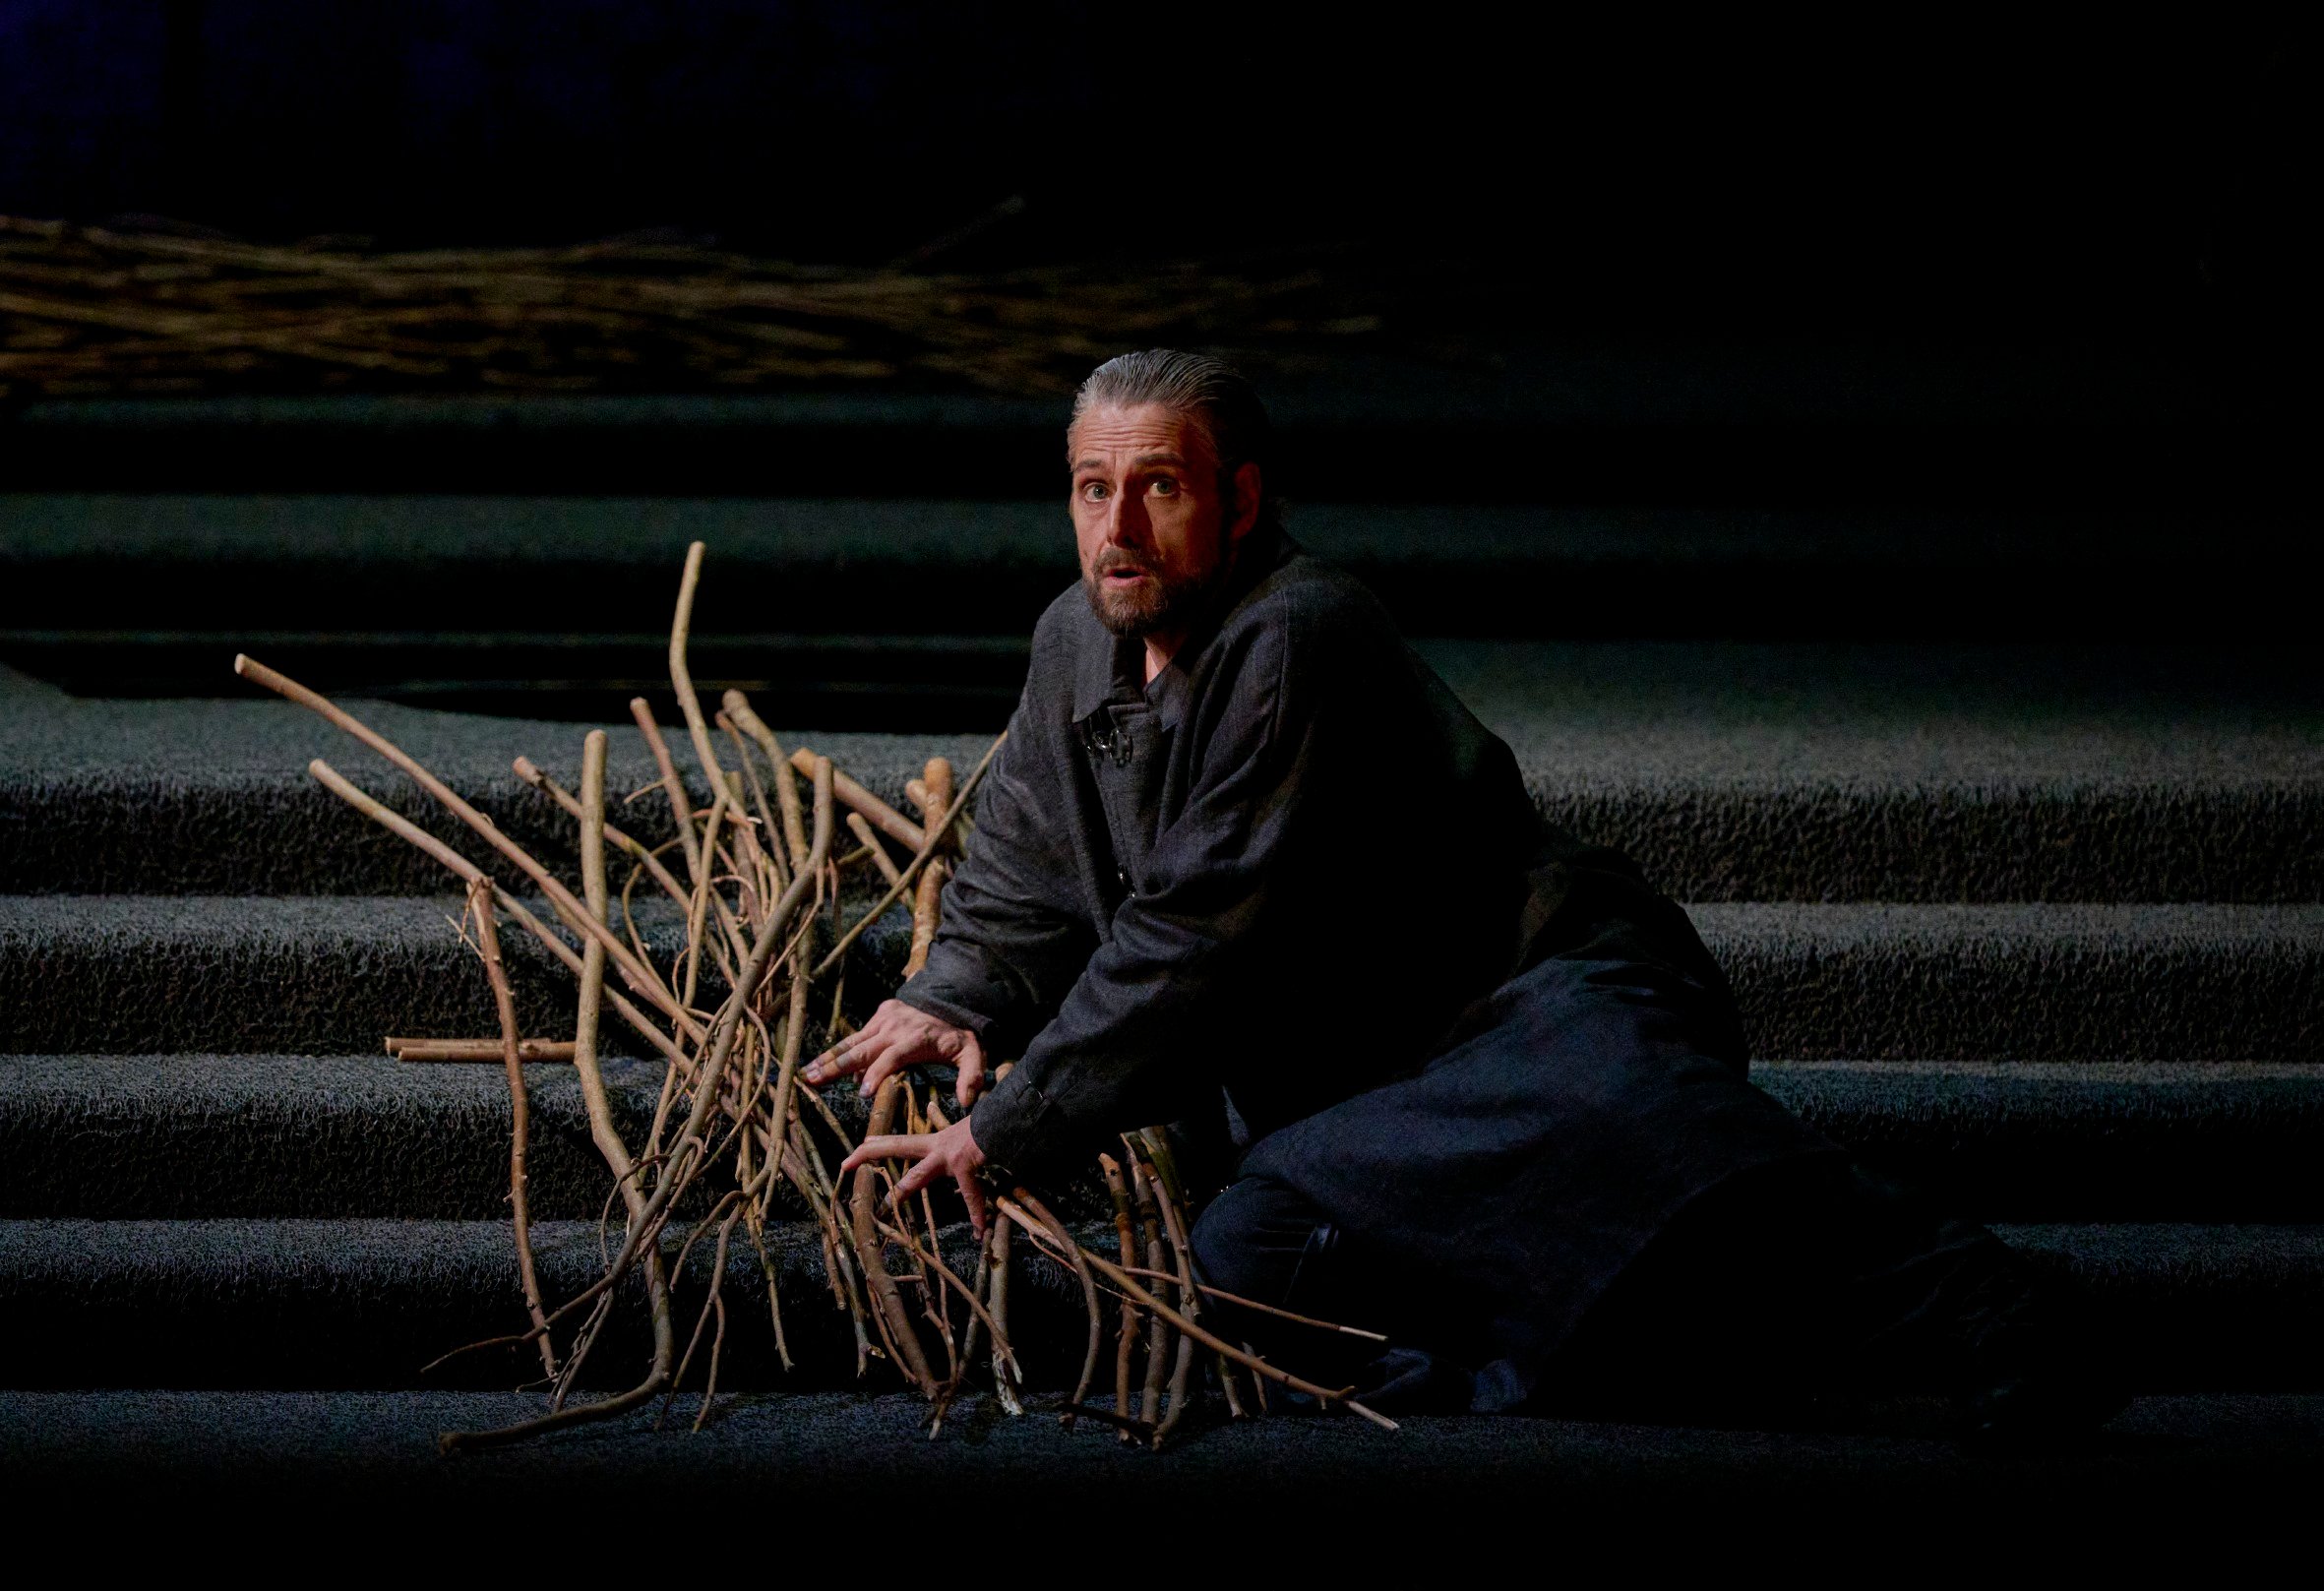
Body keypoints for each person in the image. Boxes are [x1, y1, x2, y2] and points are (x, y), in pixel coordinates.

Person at [808, 349, 2120, 1436]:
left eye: (1158, 485)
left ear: (1242, 499)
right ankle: (1581, 1357)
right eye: (1093, 489)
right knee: (1250, 1260)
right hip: (1367, 1084)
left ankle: (1984, 1305)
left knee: (1668, 1162)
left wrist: (1004, 1128)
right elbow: (1021, 867)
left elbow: (1192, 932)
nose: (1118, 526)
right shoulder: (1068, 642)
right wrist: (946, 993)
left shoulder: (1298, 630)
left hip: (1522, 1001)